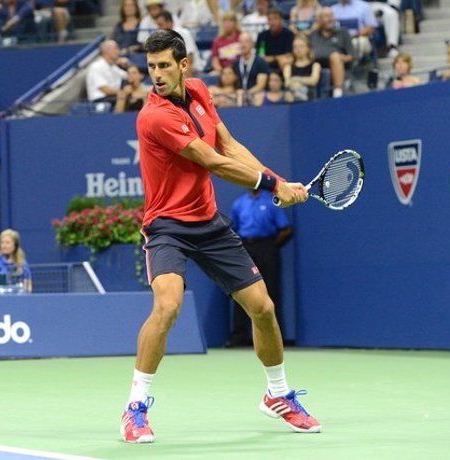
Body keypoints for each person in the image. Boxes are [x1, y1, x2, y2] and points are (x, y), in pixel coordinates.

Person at [120, 28, 318, 444]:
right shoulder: (155, 116)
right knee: (168, 305)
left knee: (262, 307)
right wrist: (272, 185)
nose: (155, 74)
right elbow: (211, 160)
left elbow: (228, 144)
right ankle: (135, 407)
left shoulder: (198, 91)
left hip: (208, 222)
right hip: (167, 227)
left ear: (183, 64)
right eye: (150, 66)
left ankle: (278, 394)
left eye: (163, 65)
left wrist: (278, 182)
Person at [226, 188, 292, 347]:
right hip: (245, 249)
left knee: (270, 292)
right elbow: (229, 229)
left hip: (267, 248)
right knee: (241, 291)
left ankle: (274, 338)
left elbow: (286, 229)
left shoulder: (272, 201)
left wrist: (270, 247)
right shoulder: (239, 203)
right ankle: (239, 337)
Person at [307, 7, 353, 98]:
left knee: (335, 57)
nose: (330, 19)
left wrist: (341, 57)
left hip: (337, 63)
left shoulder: (342, 32)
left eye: (331, 16)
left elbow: (351, 55)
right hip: (316, 64)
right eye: (327, 16)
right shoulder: (313, 35)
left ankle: (338, 92)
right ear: (319, 20)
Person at [155, 10, 204, 76]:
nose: (158, 28)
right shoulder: (164, 37)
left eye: (160, 25)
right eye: (157, 26)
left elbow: (190, 58)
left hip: (194, 70)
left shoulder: (182, 33)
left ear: (169, 23)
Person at [85, 40, 129, 109]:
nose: (118, 51)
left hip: (113, 97)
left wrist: (128, 65)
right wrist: (123, 92)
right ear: (106, 51)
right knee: (125, 98)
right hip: (99, 99)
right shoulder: (96, 66)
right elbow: (105, 89)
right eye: (116, 48)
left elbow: (129, 77)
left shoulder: (113, 67)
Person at [0, 228, 32, 292]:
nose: (4, 246)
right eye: (2, 243)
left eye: (7, 243)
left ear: (15, 245)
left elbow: (28, 286)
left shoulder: (22, 263)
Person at [283, 34, 321, 101]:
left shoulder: (315, 65)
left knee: (297, 86)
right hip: (292, 95)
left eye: (301, 46)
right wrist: (297, 84)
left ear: (308, 48)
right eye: (295, 47)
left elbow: (313, 81)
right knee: (290, 91)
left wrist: (296, 79)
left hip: (310, 95)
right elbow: (287, 82)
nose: (298, 49)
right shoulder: (288, 67)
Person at [232, 31, 269, 98]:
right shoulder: (235, 64)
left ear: (252, 44)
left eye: (246, 41)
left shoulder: (260, 62)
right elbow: (231, 84)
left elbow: (261, 85)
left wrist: (246, 94)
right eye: (241, 42)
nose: (243, 45)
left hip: (255, 96)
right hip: (238, 97)